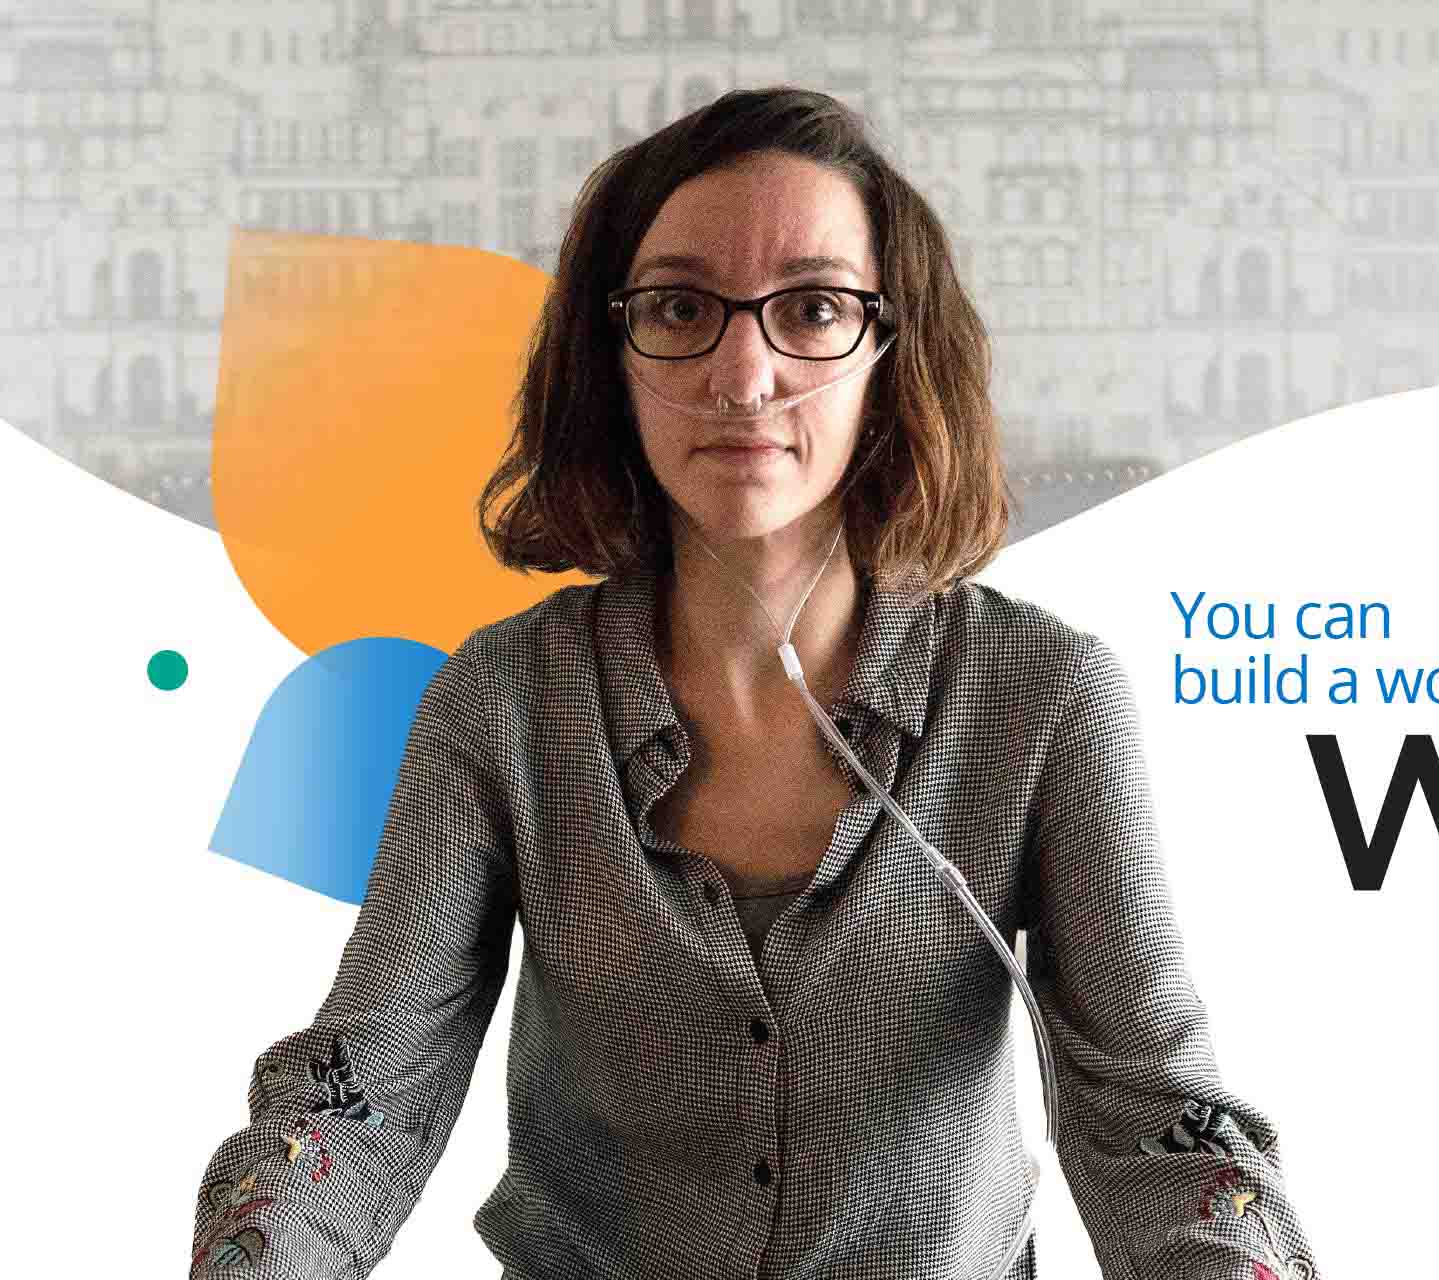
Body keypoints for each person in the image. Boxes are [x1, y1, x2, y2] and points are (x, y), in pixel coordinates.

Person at [185, 87, 1323, 1280]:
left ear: (893, 348)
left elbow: (1159, 1122)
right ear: (608, 351)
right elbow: (358, 1098)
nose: (743, 375)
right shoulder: (502, 702)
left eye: (815, 308)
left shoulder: (1045, 698)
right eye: (681, 308)